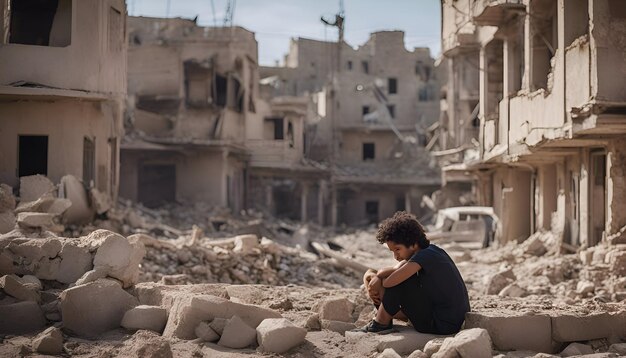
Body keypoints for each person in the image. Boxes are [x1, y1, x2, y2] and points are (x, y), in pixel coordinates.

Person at [355, 211, 470, 335]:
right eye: (392, 251)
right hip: (448, 320)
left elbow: (389, 282)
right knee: (379, 275)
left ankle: (381, 323)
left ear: (414, 244)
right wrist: (374, 276)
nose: (395, 256)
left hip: (442, 324)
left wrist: (378, 278)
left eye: (397, 249)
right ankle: (384, 319)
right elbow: (394, 269)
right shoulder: (430, 251)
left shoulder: (425, 256)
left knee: (398, 280)